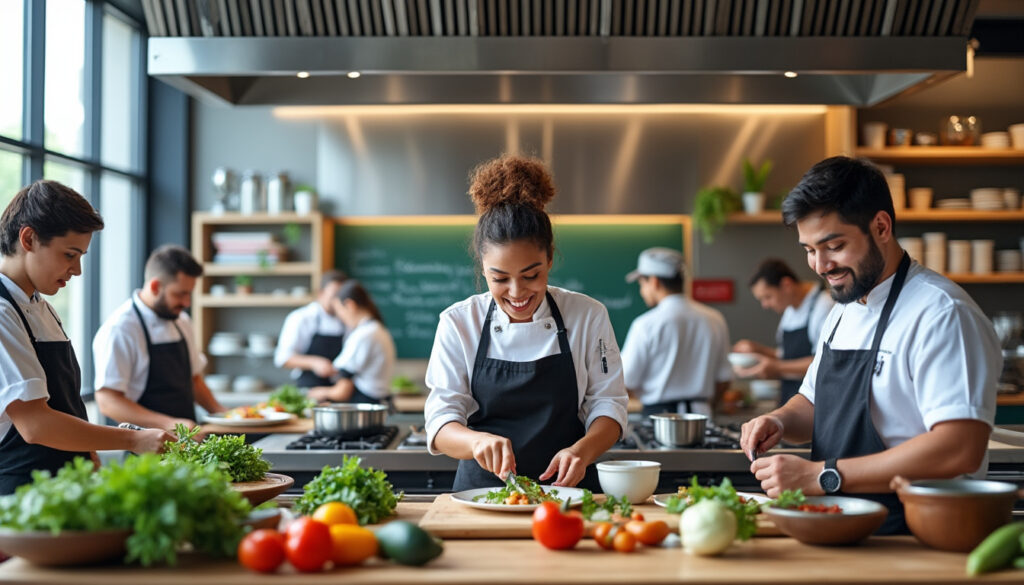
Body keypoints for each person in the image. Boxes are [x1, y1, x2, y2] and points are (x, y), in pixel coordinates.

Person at [740, 156, 1001, 535]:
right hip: (840, 528)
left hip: (915, 535)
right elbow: (813, 403)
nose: (819, 265)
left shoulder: (942, 313)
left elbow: (960, 447)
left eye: (833, 245)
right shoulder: (844, 309)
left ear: (881, 226)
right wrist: (779, 420)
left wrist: (823, 476)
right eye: (809, 250)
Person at [424, 154, 628, 491]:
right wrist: (476, 443)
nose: (517, 292)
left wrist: (583, 450)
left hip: (570, 492)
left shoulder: (588, 315)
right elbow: (441, 421)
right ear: (482, 268)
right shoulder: (459, 322)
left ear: (550, 258)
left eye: (531, 275)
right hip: (483, 495)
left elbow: (609, 403)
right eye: (499, 278)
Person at [0, 181, 171, 493]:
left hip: (66, 487)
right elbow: (35, 425)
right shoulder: (2, 314)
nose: (77, 270)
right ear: (29, 239)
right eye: (69, 254)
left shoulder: (44, 309)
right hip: (22, 497)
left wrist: (87, 451)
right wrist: (133, 438)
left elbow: (63, 403)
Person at [93, 245, 225, 429]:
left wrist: (221, 414)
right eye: (180, 294)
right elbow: (108, 401)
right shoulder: (121, 329)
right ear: (155, 286)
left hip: (186, 443)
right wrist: (170, 424)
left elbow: (193, 379)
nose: (186, 303)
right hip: (142, 450)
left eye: (189, 294)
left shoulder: (182, 322)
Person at [620, 247, 732, 418]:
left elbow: (624, 382)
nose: (642, 290)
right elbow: (723, 380)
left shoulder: (645, 324)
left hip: (658, 417)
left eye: (642, 283)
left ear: (654, 281)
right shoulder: (715, 318)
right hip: (702, 417)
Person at [732, 258, 834, 406]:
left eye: (768, 297)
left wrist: (776, 368)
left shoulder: (824, 305)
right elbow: (786, 354)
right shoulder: (790, 310)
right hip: (790, 399)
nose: (765, 305)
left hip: (815, 403)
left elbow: (825, 362)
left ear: (786, 285)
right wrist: (758, 350)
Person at [307, 280, 396, 404]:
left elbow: (342, 392)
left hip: (365, 405)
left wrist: (319, 392)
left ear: (350, 305)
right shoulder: (378, 329)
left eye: (340, 311)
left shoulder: (364, 334)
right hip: (379, 402)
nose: (340, 317)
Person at [274, 270, 348, 388]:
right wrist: (315, 363)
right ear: (320, 294)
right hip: (309, 389)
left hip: (337, 388)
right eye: (334, 296)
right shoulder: (301, 317)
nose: (338, 301)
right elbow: (282, 358)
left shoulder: (346, 320)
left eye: (342, 297)